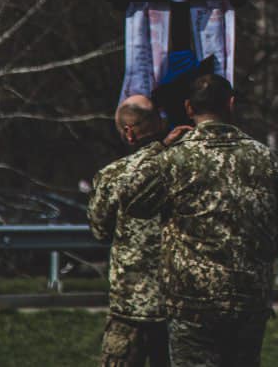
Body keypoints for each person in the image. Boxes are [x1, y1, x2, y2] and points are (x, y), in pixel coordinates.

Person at [123, 73, 278, 367]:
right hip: (248, 299)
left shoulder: (176, 158)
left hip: (192, 302)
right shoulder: (263, 157)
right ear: (231, 104)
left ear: (189, 108)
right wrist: (254, 255)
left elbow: (135, 204)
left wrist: (158, 149)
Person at [89, 95, 176, 367]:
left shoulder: (114, 174)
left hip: (130, 308)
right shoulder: (185, 168)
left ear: (128, 132)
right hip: (179, 307)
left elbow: (100, 230)